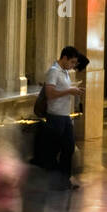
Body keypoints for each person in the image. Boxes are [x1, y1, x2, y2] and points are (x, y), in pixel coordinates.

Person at [42, 45, 85, 189]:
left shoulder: (65, 72)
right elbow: (50, 93)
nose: (73, 66)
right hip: (55, 116)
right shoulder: (54, 72)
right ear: (64, 58)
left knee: (69, 148)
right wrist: (69, 91)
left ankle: (64, 179)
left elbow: (63, 89)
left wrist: (74, 90)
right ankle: (54, 180)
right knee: (54, 150)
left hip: (65, 116)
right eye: (72, 62)